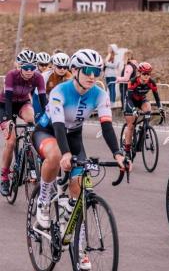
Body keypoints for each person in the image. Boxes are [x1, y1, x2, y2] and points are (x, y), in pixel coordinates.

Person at [33, 49, 131, 270]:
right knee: (57, 154)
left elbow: (106, 125)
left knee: (79, 190)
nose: (92, 75)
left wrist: (117, 154)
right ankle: (44, 200)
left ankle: (80, 249)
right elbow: (58, 125)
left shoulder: (99, 93)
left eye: (97, 71)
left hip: (74, 137)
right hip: (48, 131)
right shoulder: (60, 90)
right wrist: (66, 154)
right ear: (75, 70)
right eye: (87, 70)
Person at [0, 50, 47, 196]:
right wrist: (8, 120)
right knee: (11, 142)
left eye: (32, 67)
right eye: (26, 67)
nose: (29, 71)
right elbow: (7, 99)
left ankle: (30, 155)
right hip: (4, 105)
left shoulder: (38, 77)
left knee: (32, 120)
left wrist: (48, 119)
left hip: (22, 103)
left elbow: (43, 100)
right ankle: (4, 177)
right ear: (19, 66)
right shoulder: (11, 75)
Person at [123, 62, 164, 156]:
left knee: (148, 109)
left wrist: (160, 108)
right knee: (131, 126)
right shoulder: (133, 81)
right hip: (130, 101)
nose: (146, 76)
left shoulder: (151, 82)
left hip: (141, 99)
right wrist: (133, 109)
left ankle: (144, 128)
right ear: (139, 73)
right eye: (144, 74)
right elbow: (129, 98)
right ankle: (127, 149)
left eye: (148, 74)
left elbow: (157, 98)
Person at [32, 52, 51, 120]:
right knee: (37, 117)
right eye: (41, 64)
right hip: (35, 96)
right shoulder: (32, 72)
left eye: (46, 65)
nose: (44, 67)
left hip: (46, 96)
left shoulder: (50, 72)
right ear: (37, 64)